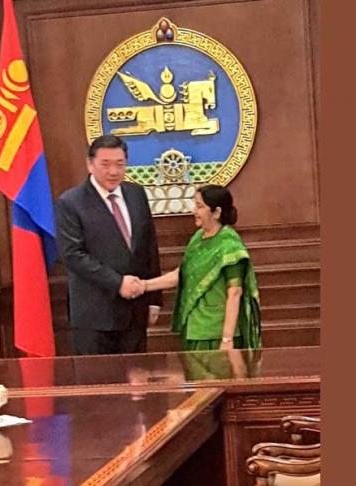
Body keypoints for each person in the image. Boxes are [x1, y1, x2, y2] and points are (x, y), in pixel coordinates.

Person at [55, 135, 162, 355]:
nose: (113, 171)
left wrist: (154, 299)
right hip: (95, 316)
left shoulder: (136, 194)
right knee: (100, 376)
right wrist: (117, 283)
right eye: (105, 164)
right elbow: (72, 254)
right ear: (90, 164)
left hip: (135, 312)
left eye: (120, 164)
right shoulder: (71, 202)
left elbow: (149, 247)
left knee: (137, 374)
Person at [141, 185, 261, 351]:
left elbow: (234, 293)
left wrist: (227, 340)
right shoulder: (198, 238)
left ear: (216, 212)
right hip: (194, 329)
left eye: (200, 206)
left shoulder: (230, 246)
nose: (194, 211)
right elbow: (181, 274)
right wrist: (143, 286)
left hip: (216, 334)